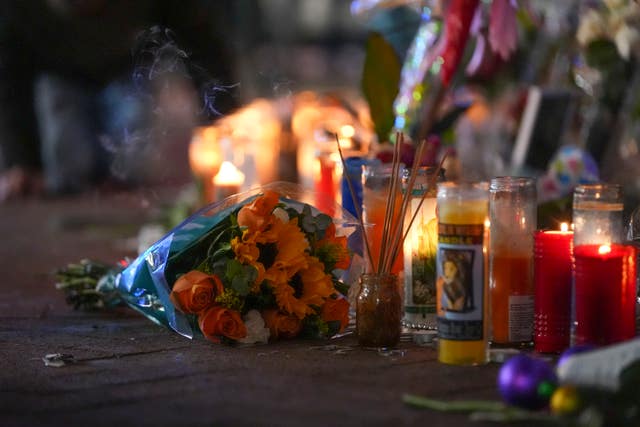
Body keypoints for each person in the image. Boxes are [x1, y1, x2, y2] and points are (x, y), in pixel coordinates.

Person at [0, 0, 237, 200]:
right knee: (67, 157)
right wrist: (20, 161)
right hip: (59, 76)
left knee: (132, 153)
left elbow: (199, 41)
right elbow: (11, 81)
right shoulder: (21, 10)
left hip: (125, 68)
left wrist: (223, 121)